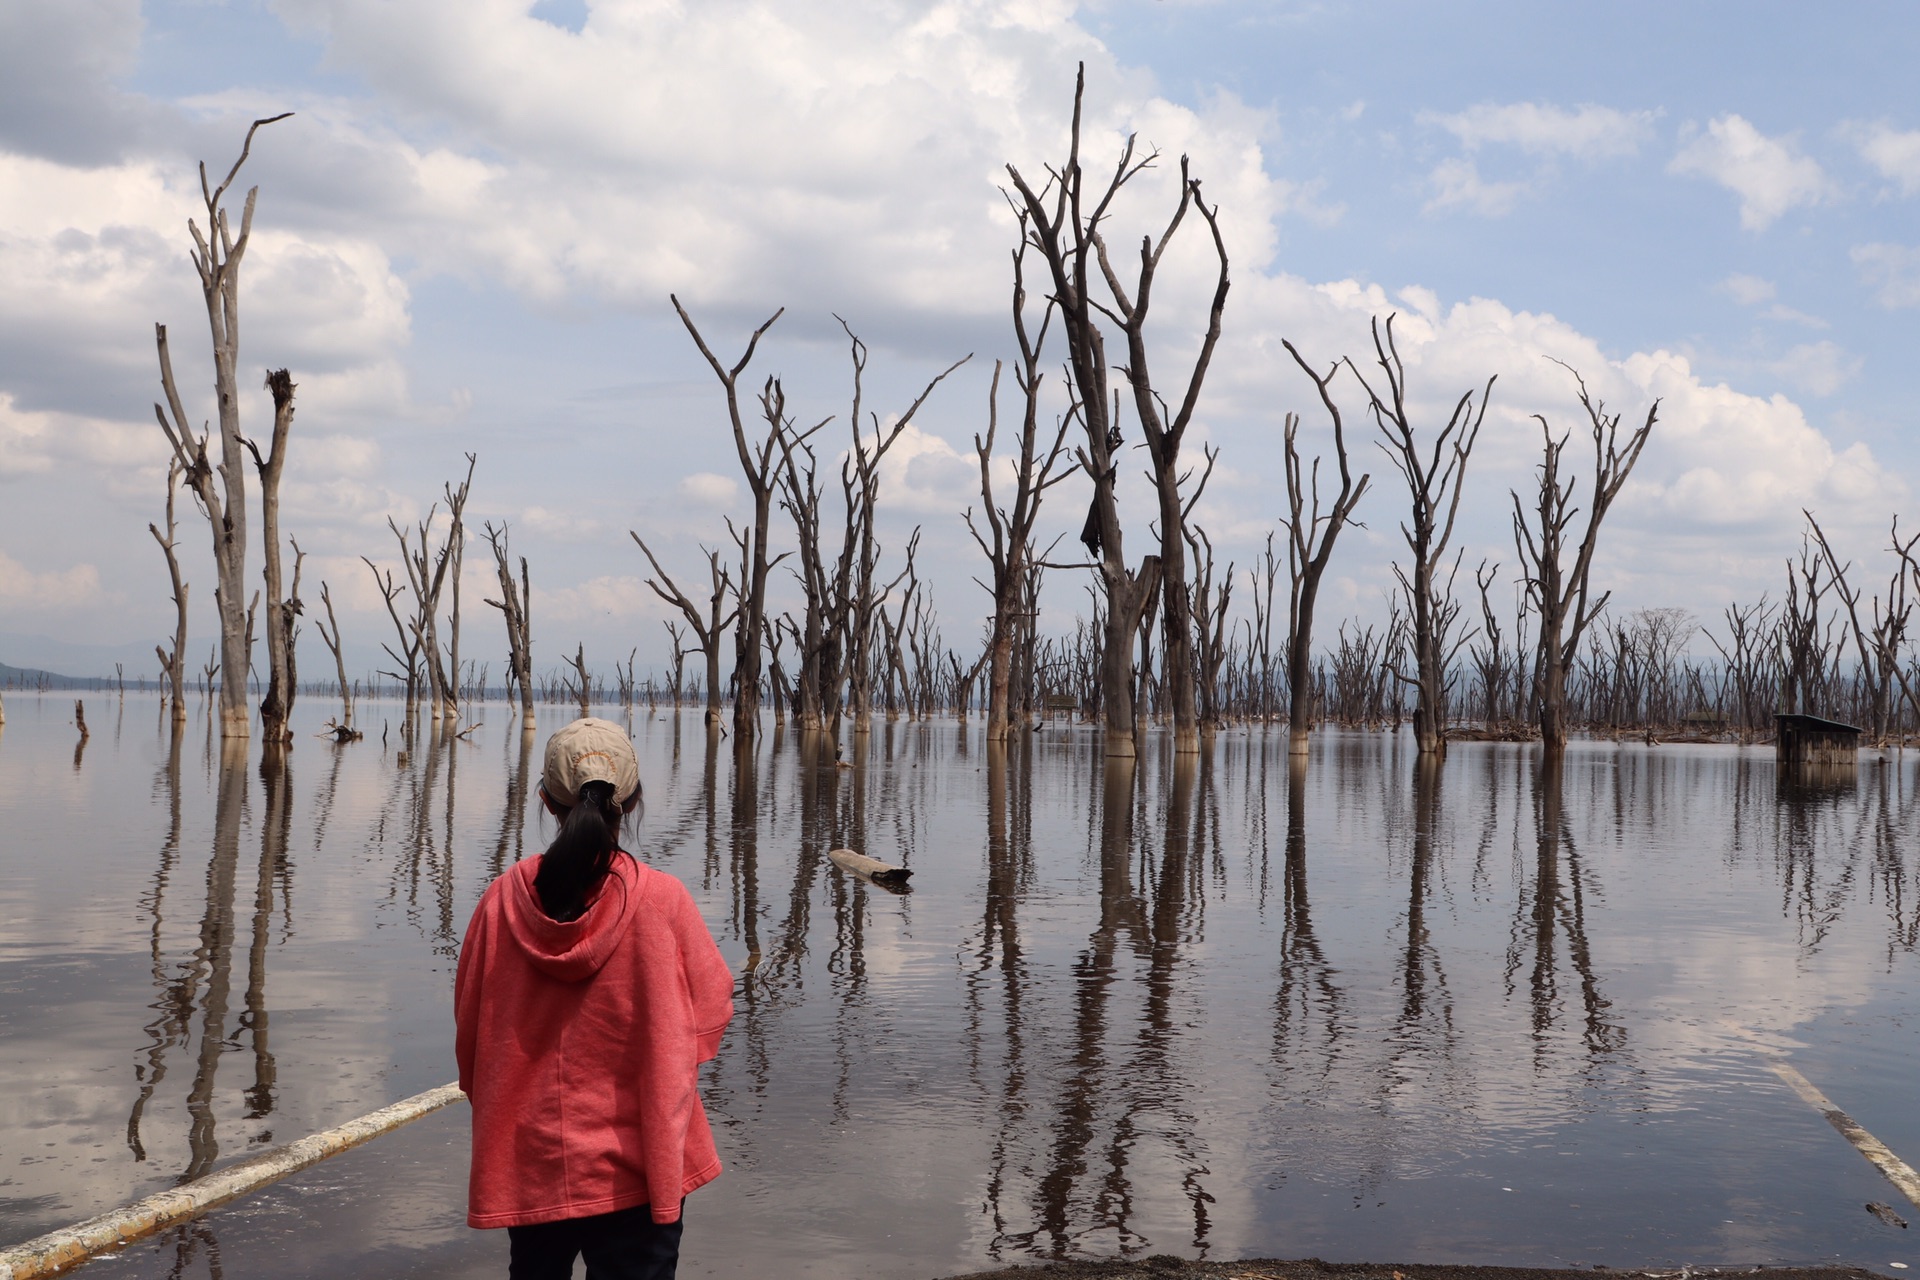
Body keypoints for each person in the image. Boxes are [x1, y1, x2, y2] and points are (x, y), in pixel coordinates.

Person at [455, 717, 735, 1280]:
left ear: (546, 801)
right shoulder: (662, 901)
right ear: (630, 803)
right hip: (641, 1160)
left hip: (530, 1161)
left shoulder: (499, 903)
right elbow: (710, 1018)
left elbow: (470, 1038)